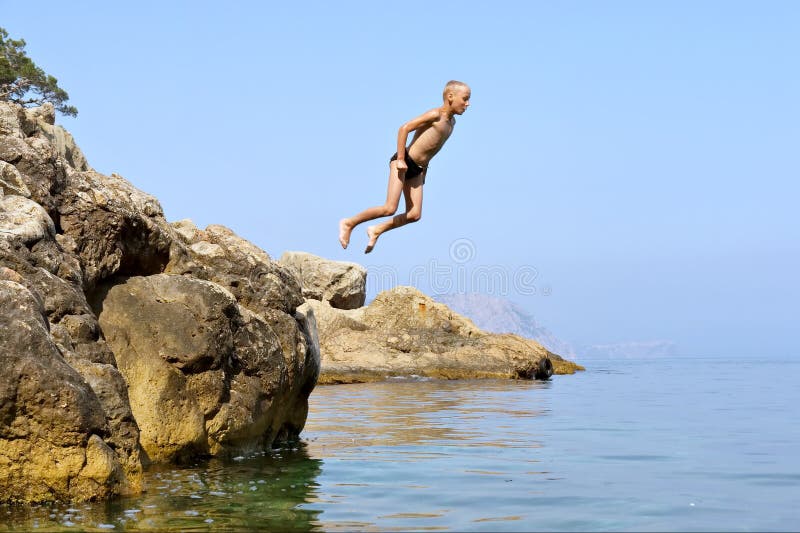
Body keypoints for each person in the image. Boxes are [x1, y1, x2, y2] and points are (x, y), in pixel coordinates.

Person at [338, 80, 471, 253]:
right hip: (404, 162)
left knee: (414, 214)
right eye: (465, 99)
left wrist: (425, 170)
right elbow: (404, 128)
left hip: (418, 168)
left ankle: (377, 230)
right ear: (450, 97)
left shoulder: (451, 123)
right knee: (389, 208)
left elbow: (432, 148)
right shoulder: (435, 115)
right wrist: (401, 158)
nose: (467, 104)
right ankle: (349, 223)